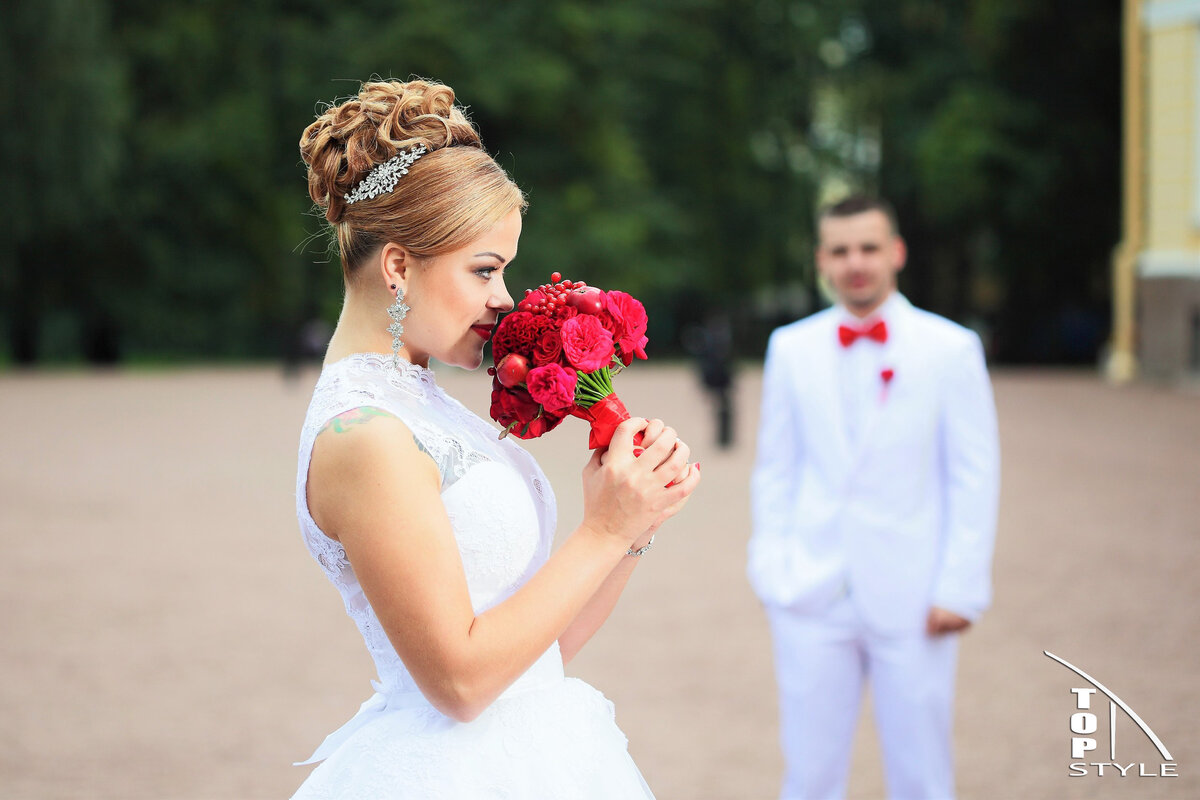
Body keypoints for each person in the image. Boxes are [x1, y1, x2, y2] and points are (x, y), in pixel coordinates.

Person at [291, 79, 700, 799]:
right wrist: (601, 531)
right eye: (485, 269)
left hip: (537, 755)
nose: (504, 298)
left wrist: (634, 523)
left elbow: (542, 654)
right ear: (397, 267)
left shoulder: (424, 408)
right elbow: (460, 682)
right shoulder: (365, 435)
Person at [748, 195, 999, 800]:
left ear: (896, 253)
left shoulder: (951, 349)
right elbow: (776, 469)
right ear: (822, 260)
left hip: (915, 597)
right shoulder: (791, 347)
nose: (855, 262)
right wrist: (772, 570)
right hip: (811, 592)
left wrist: (959, 585)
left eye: (868, 247)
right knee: (809, 772)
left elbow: (974, 475)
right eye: (840, 250)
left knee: (921, 771)